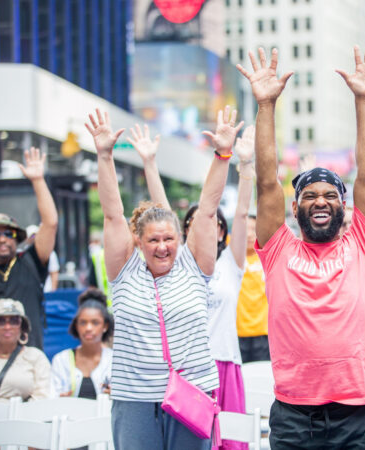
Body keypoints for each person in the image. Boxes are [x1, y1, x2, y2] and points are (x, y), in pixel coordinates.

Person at [236, 45, 365, 447]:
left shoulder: (362, 243)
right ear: (295, 207)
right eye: (310, 195)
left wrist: (364, 101)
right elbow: (267, 182)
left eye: (329, 195)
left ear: (343, 206)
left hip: (355, 410)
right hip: (293, 412)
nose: (320, 201)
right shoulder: (278, 250)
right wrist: (266, 105)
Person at [85, 107, 239, 449]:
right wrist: (105, 155)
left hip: (191, 391)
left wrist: (222, 154)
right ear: (138, 241)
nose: (162, 247)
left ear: (179, 239)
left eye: (168, 239)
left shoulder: (194, 267)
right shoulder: (124, 273)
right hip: (134, 397)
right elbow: (112, 214)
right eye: (153, 240)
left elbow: (208, 206)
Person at [182, 123, 255, 450]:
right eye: (199, 226)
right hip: (188, 367)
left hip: (225, 361)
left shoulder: (230, 263)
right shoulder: (178, 266)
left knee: (230, 444)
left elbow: (241, 213)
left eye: (215, 226)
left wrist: (246, 165)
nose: (208, 231)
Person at [0, 147, 58, 349]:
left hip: (29, 359)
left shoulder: (31, 261)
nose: (3, 239)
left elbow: (50, 223)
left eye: (9, 234)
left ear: (17, 238)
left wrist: (38, 181)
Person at [50, 288, 113, 399]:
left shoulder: (115, 360)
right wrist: (58, 400)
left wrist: (117, 396)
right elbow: (51, 398)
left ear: (105, 326)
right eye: (83, 323)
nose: (88, 328)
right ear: (76, 325)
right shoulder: (61, 360)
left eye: (95, 323)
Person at [0, 298, 50, 401]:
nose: (7, 327)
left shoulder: (36, 357)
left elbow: (43, 396)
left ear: (22, 326)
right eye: (0, 321)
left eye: (14, 321)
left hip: (25, 415)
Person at [236, 215, 271, 363]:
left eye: (254, 229)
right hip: (237, 334)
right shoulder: (231, 257)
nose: (250, 234)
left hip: (263, 334)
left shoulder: (268, 257)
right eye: (246, 229)